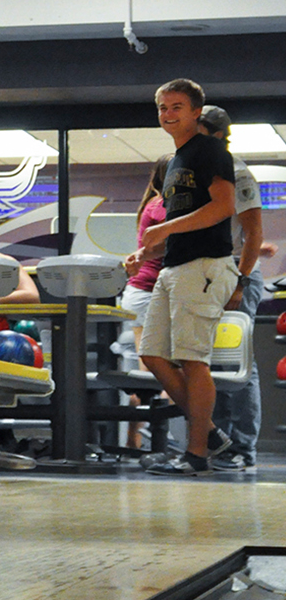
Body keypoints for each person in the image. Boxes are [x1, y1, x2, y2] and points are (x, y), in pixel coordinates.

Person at [124, 79, 238, 477]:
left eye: (177, 107)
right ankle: (207, 432)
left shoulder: (210, 151)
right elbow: (180, 223)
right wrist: (146, 251)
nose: (168, 114)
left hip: (204, 266)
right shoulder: (175, 161)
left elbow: (223, 207)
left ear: (195, 113)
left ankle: (196, 455)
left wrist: (166, 231)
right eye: (162, 108)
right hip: (173, 268)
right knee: (152, 354)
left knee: (192, 360)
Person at [199, 105, 266, 471]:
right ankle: (220, 442)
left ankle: (243, 447)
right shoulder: (198, 173)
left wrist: (240, 280)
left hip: (237, 274)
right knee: (211, 364)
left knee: (239, 364)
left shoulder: (238, 174)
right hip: (207, 275)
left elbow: (254, 233)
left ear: (218, 135)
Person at [120, 154, 173, 451]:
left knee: (153, 373)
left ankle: (140, 442)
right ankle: (144, 443)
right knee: (153, 374)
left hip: (151, 293)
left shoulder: (157, 204)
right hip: (146, 294)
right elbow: (177, 239)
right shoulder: (161, 206)